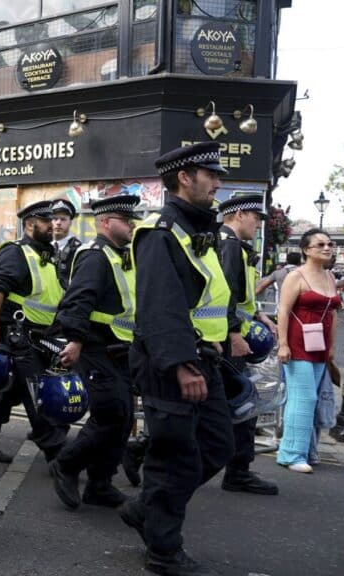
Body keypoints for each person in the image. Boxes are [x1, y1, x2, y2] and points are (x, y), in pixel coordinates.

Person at [119, 142, 234, 576]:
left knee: (218, 445)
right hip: (173, 364)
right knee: (175, 457)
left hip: (203, 357)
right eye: (212, 175)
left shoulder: (197, 230)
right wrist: (182, 363)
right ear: (185, 177)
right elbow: (160, 306)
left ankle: (145, 509)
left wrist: (220, 338)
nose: (219, 183)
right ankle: (164, 553)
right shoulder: (160, 232)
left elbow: (204, 296)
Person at [48, 195, 140, 511]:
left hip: (122, 348)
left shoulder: (122, 256)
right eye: (126, 220)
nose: (132, 225)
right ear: (105, 222)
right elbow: (79, 300)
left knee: (123, 417)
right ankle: (66, 464)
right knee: (110, 414)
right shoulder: (95, 256)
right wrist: (74, 340)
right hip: (96, 347)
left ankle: (100, 484)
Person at [0, 200, 67, 464]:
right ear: (29, 224)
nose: (53, 226)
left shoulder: (48, 256)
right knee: (36, 392)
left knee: (9, 389)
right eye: (47, 222)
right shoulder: (16, 252)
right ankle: (58, 456)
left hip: (43, 336)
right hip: (19, 334)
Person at [216, 195, 279, 495]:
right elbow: (224, 294)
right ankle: (238, 472)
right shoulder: (228, 245)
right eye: (256, 217)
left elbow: (241, 297)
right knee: (242, 403)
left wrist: (260, 315)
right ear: (239, 214)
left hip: (229, 338)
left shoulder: (236, 247)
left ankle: (239, 469)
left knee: (231, 405)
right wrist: (234, 335)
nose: (258, 224)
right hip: (229, 342)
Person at [276, 228, 341, 473]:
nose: (327, 248)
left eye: (330, 244)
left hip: (321, 347)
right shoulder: (296, 276)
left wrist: (332, 349)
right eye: (320, 244)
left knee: (313, 400)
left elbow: (333, 314)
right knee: (304, 398)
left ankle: (304, 450)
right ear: (306, 250)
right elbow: (283, 310)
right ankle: (292, 454)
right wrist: (283, 344)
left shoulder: (331, 277)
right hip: (297, 344)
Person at [51, 198, 82, 289]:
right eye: (54, 219)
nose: (58, 223)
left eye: (63, 219)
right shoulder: (43, 247)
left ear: (70, 223)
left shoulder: (79, 250)